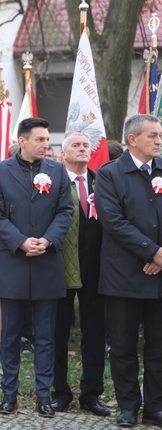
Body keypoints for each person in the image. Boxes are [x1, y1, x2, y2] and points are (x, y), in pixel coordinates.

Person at [0, 117, 73, 418]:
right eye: (40, 139)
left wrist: (48, 240)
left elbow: (65, 211)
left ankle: (43, 396)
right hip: (14, 260)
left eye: (48, 139)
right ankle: (9, 394)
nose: (46, 145)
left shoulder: (58, 171)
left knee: (46, 335)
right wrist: (21, 241)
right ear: (23, 141)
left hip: (47, 261)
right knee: (10, 334)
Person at [95, 114, 162, 427]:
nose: (159, 141)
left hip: (160, 274)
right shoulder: (110, 174)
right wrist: (153, 251)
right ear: (133, 139)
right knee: (123, 346)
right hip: (123, 275)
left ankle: (155, 407)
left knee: (158, 345)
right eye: (153, 136)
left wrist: (161, 256)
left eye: (160, 136)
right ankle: (127, 406)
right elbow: (113, 221)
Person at [50, 133, 108, 416]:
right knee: (58, 332)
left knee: (95, 333)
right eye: (75, 145)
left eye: (86, 145)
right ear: (63, 155)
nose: (83, 148)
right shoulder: (53, 185)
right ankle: (60, 392)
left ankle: (91, 393)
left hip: (96, 271)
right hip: (59, 269)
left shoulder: (102, 182)